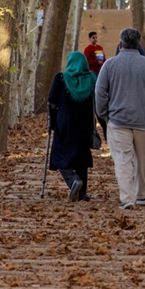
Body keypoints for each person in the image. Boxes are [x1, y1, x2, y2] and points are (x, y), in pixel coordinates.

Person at [95, 27, 145, 210]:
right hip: (144, 121)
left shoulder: (109, 65)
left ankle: (127, 198)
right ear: (139, 45)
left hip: (118, 120)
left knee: (122, 159)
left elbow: (99, 93)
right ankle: (142, 194)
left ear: (120, 44)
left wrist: (104, 115)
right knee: (142, 159)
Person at [48, 52, 98, 202]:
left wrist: (51, 123)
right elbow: (98, 103)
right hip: (85, 124)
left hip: (65, 123)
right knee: (81, 156)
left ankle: (73, 180)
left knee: (58, 154)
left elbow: (52, 102)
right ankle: (82, 193)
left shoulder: (61, 78)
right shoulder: (92, 79)